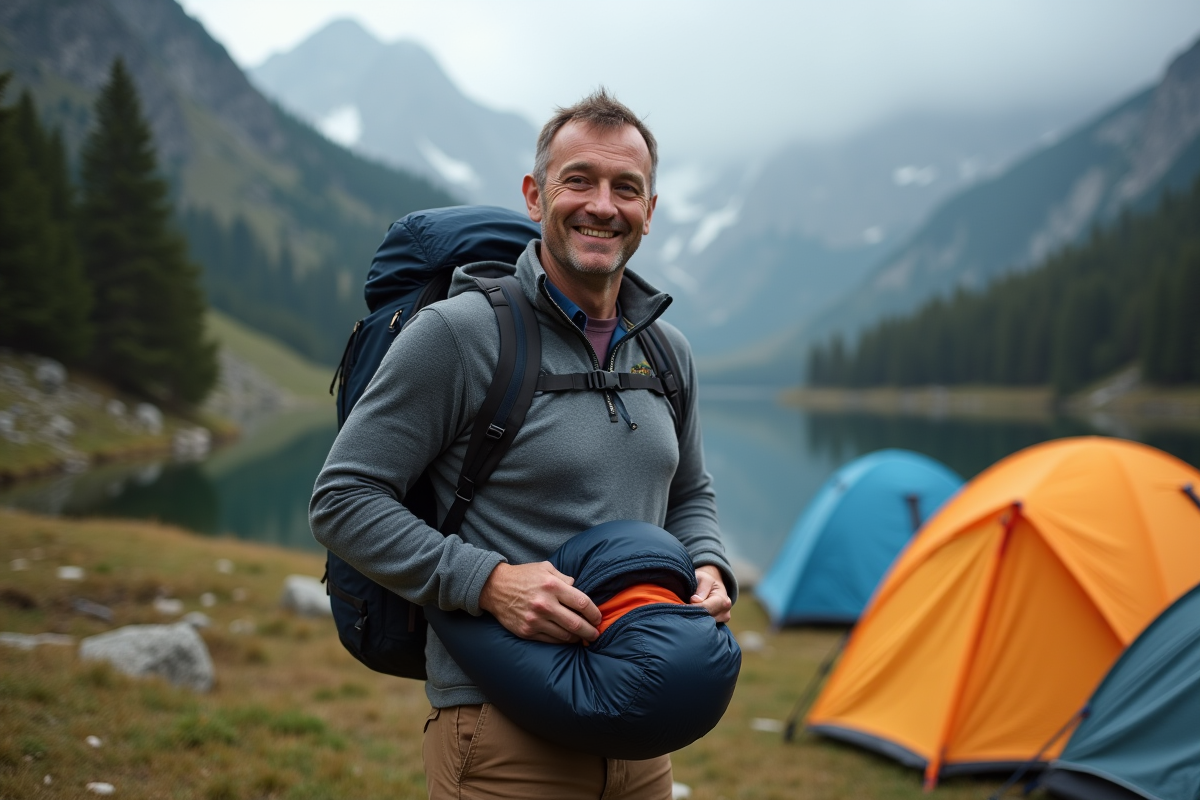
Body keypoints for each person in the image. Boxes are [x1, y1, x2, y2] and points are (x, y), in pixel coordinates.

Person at [310, 88, 735, 800]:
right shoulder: (461, 335)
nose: (603, 206)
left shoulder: (668, 352)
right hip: (502, 735)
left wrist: (710, 566)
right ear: (536, 197)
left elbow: (689, 492)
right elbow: (343, 498)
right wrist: (490, 583)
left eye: (626, 188)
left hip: (642, 741)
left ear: (650, 210)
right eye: (579, 181)